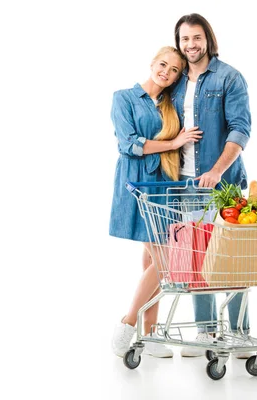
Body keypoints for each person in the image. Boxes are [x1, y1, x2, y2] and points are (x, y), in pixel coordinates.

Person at [109, 46, 203, 358]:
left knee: (154, 260)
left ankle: (149, 336)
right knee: (164, 260)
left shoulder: (170, 105)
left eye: (174, 70)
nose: (166, 72)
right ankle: (128, 321)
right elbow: (129, 144)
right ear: (152, 63)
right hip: (137, 186)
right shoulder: (123, 97)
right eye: (163, 64)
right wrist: (174, 142)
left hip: (165, 188)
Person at [170, 13, 254, 359]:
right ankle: (206, 331)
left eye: (196, 38)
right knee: (197, 259)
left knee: (231, 259)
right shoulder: (175, 82)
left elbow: (240, 130)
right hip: (186, 183)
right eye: (185, 39)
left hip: (223, 184)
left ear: (208, 39)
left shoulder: (229, 77)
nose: (191, 45)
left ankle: (239, 334)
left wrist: (218, 170)